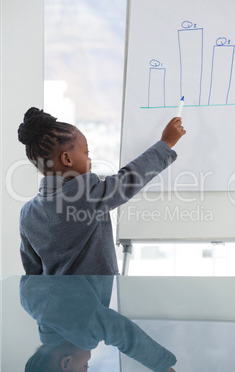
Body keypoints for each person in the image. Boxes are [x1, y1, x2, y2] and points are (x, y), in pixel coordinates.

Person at [18, 108, 186, 275]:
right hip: (94, 300)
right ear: (67, 159)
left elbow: (33, 273)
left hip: (54, 300)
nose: (90, 160)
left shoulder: (27, 214)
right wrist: (165, 144)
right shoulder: (84, 195)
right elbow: (127, 180)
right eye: (86, 153)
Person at [17, 275, 186, 372]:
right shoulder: (27, 299)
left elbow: (125, 335)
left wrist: (166, 371)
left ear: (66, 362)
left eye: (85, 366)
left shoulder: (83, 328)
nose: (89, 358)